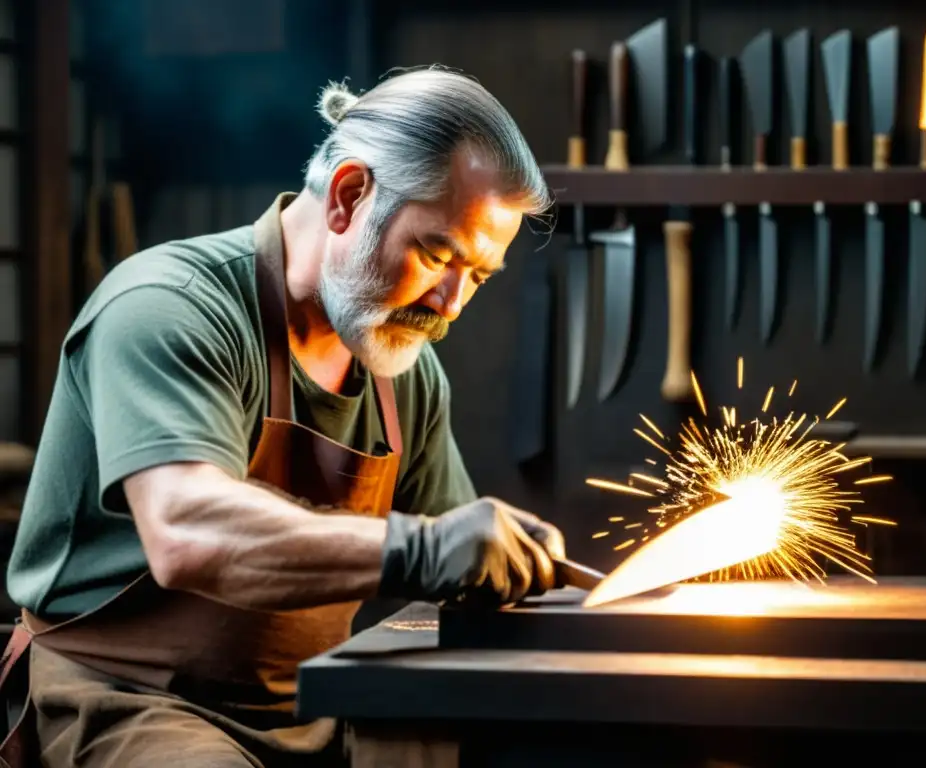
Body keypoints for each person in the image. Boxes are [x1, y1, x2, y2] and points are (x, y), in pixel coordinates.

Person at [0, 66, 566, 767]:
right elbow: (186, 529)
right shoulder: (169, 305)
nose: (451, 304)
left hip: (317, 707)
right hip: (125, 699)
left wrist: (525, 571)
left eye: (477, 276)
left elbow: (458, 566)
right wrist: (421, 549)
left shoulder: (404, 370)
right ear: (349, 195)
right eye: (436, 254)